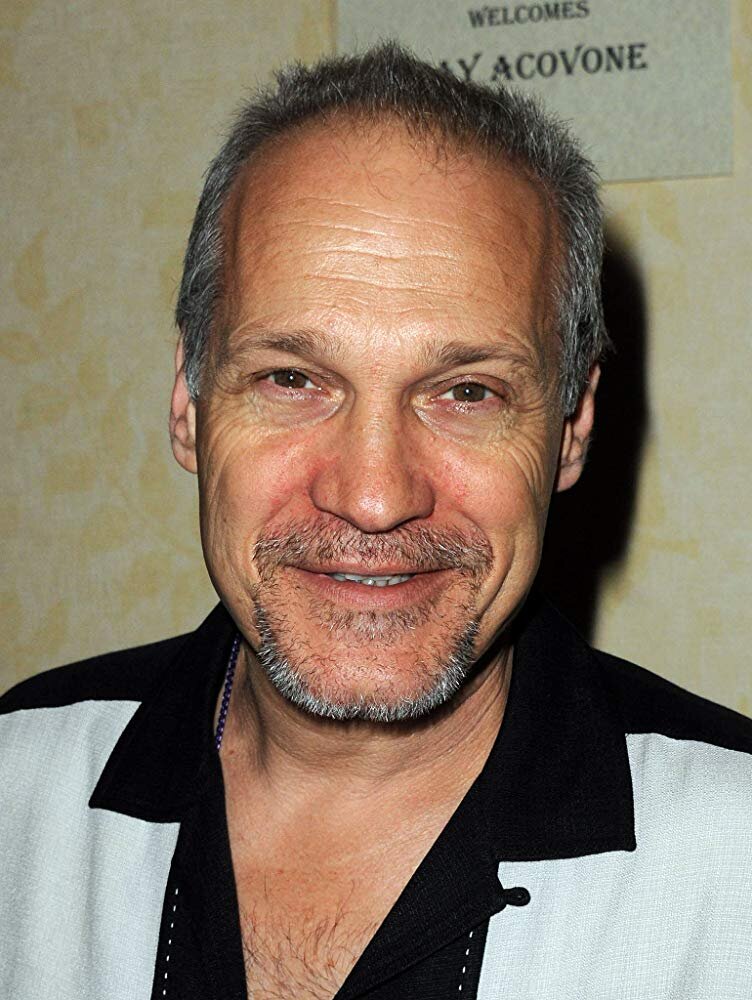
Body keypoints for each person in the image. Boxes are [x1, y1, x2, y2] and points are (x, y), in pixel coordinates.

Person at [1, 42, 750, 1000]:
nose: (373, 496)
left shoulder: (737, 858)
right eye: (292, 379)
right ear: (188, 400)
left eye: (467, 392)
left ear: (572, 429)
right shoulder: (17, 785)